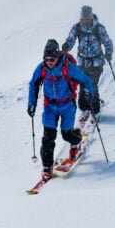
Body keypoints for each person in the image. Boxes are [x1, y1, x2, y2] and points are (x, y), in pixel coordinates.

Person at [27, 39, 95, 178]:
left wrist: (89, 94)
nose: (49, 62)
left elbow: (85, 80)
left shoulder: (68, 68)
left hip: (67, 105)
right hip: (50, 107)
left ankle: (75, 145)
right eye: (46, 59)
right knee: (48, 138)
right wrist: (31, 104)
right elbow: (33, 84)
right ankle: (46, 167)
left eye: (52, 59)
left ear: (57, 56)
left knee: (67, 134)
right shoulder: (41, 68)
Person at [62, 5, 112, 121]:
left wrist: (108, 53)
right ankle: (84, 108)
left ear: (91, 17)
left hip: (96, 62)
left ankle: (95, 111)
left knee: (91, 86)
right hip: (81, 62)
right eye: (83, 19)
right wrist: (66, 46)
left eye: (87, 19)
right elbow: (71, 39)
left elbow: (107, 42)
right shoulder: (77, 28)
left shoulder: (99, 28)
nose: (85, 21)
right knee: (82, 85)